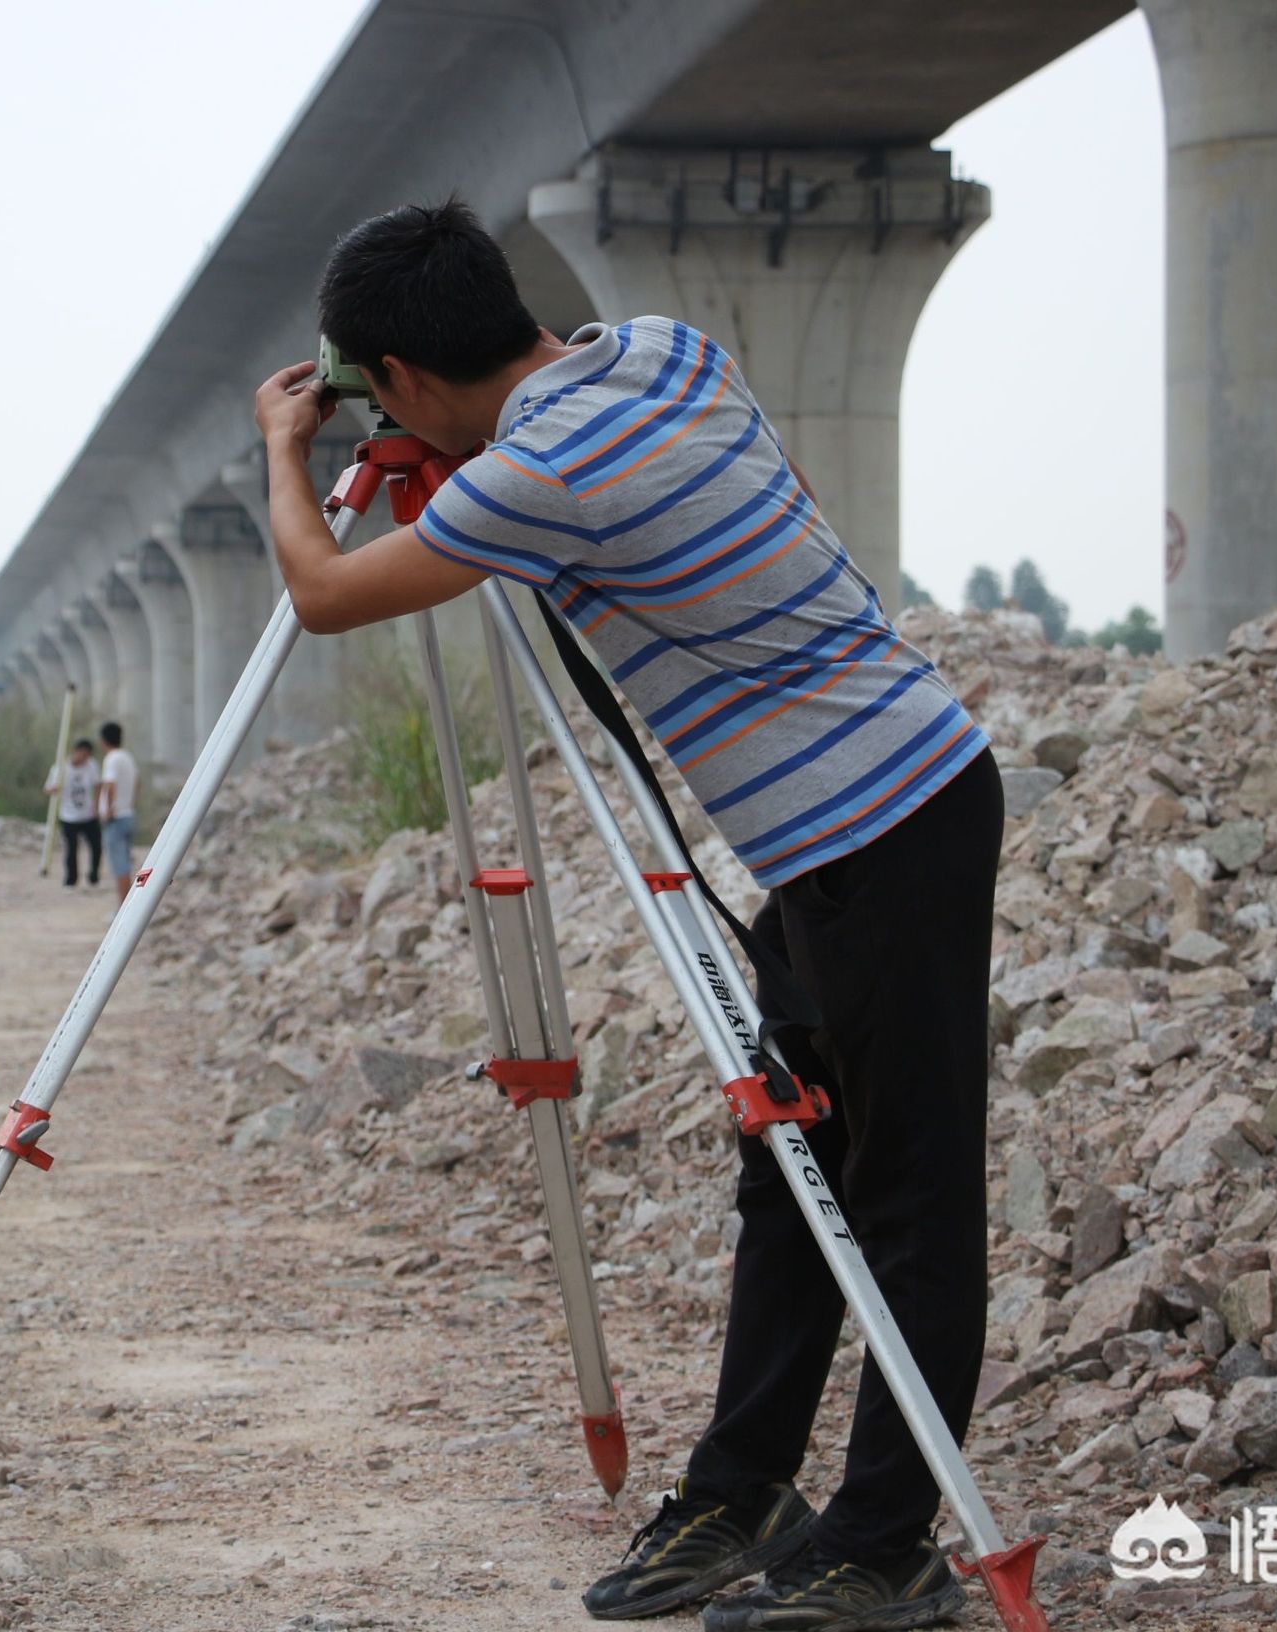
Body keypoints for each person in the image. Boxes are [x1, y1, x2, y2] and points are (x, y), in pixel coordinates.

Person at [252, 201, 1001, 1632]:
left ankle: (889, 1543)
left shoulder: (532, 479)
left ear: (400, 379)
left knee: (905, 1196)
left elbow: (326, 590)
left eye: (370, 389)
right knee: (791, 1161)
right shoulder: (666, 353)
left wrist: (289, 451)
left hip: (883, 820)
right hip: (870, 810)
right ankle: (740, 1492)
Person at [44, 738, 102, 888]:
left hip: (88, 815)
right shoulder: (60, 768)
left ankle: (93, 875)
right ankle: (71, 880)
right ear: (75, 751)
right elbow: (48, 788)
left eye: (87, 755)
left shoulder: (91, 766)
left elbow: (97, 785)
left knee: (96, 846)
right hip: (69, 816)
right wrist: (54, 789)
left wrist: (96, 806)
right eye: (82, 754)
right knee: (71, 848)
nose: (84, 758)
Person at [96, 721, 140, 901]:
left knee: (120, 866)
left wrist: (109, 810)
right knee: (126, 864)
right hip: (128, 814)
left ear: (104, 740)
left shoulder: (111, 759)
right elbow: (138, 782)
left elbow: (110, 785)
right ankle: (127, 905)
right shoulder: (127, 757)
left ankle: (123, 909)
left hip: (116, 818)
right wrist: (130, 803)